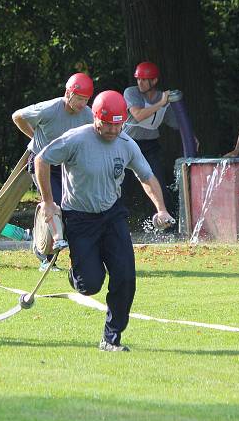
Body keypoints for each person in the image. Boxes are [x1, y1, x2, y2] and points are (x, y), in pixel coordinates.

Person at [35, 90, 174, 352]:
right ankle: (77, 273)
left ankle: (111, 338)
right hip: (79, 218)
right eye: (107, 123)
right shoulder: (76, 139)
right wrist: (48, 202)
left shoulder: (126, 143)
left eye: (118, 124)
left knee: (125, 277)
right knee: (90, 285)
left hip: (112, 215)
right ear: (96, 118)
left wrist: (161, 209)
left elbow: (147, 176)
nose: (112, 130)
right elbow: (42, 159)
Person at [11, 72, 94, 270]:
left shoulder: (87, 114)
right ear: (68, 93)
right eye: (79, 99)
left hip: (65, 165)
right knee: (52, 204)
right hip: (42, 163)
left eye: (86, 100)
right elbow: (18, 116)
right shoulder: (49, 108)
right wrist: (33, 136)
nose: (82, 104)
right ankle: (46, 257)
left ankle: (74, 256)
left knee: (71, 209)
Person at [122, 62, 197, 216]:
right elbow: (138, 115)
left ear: (154, 81)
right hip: (127, 145)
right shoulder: (131, 92)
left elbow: (176, 123)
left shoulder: (163, 99)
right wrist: (161, 103)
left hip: (150, 147)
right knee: (121, 186)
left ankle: (165, 222)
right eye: (138, 79)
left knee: (159, 184)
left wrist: (191, 136)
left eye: (144, 79)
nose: (140, 83)